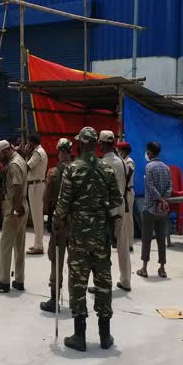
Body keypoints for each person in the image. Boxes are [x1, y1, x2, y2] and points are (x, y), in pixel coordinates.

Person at [53, 127, 123, 351]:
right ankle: (105, 335)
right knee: (103, 282)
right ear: (95, 144)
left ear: (80, 144)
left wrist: (56, 221)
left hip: (79, 236)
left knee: (78, 282)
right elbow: (116, 202)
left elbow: (62, 205)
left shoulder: (72, 170)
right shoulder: (107, 170)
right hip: (101, 235)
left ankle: (79, 336)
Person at [0, 140, 29, 293]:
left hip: (15, 207)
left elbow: (17, 188)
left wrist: (16, 210)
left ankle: (4, 280)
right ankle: (19, 279)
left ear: (6, 151)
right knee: (19, 246)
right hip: (21, 205)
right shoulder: (19, 159)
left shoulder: (13, 165)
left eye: (0, 155)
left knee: (6, 245)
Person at [39, 138, 73, 312]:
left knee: (56, 260)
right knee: (74, 262)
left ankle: (54, 299)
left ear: (60, 151)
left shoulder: (54, 173)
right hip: (75, 224)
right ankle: (75, 299)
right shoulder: (77, 170)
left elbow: (46, 199)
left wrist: (47, 215)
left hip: (59, 223)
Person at [97, 130, 131, 291]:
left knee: (102, 248)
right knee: (122, 244)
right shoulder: (122, 162)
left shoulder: (102, 163)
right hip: (121, 205)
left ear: (102, 144)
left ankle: (102, 283)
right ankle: (126, 281)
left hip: (106, 208)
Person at [138, 142, 171, 279]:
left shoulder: (149, 167)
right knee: (161, 239)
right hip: (162, 210)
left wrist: (159, 199)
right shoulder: (166, 168)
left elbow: (150, 187)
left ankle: (144, 268)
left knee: (146, 238)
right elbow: (170, 186)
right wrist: (163, 200)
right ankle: (162, 268)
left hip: (150, 208)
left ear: (150, 153)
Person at [25, 134, 48, 255]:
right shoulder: (40, 151)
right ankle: (37, 243)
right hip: (37, 185)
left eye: (28, 143)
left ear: (32, 143)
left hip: (36, 186)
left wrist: (25, 154)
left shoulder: (37, 153)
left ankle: (39, 245)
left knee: (37, 216)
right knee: (37, 216)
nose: (27, 145)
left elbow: (27, 167)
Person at [117, 142, 135, 254]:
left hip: (127, 191)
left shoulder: (129, 162)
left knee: (128, 218)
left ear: (124, 151)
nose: (119, 152)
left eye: (120, 150)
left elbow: (128, 175)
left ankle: (130, 243)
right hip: (124, 191)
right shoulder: (124, 161)